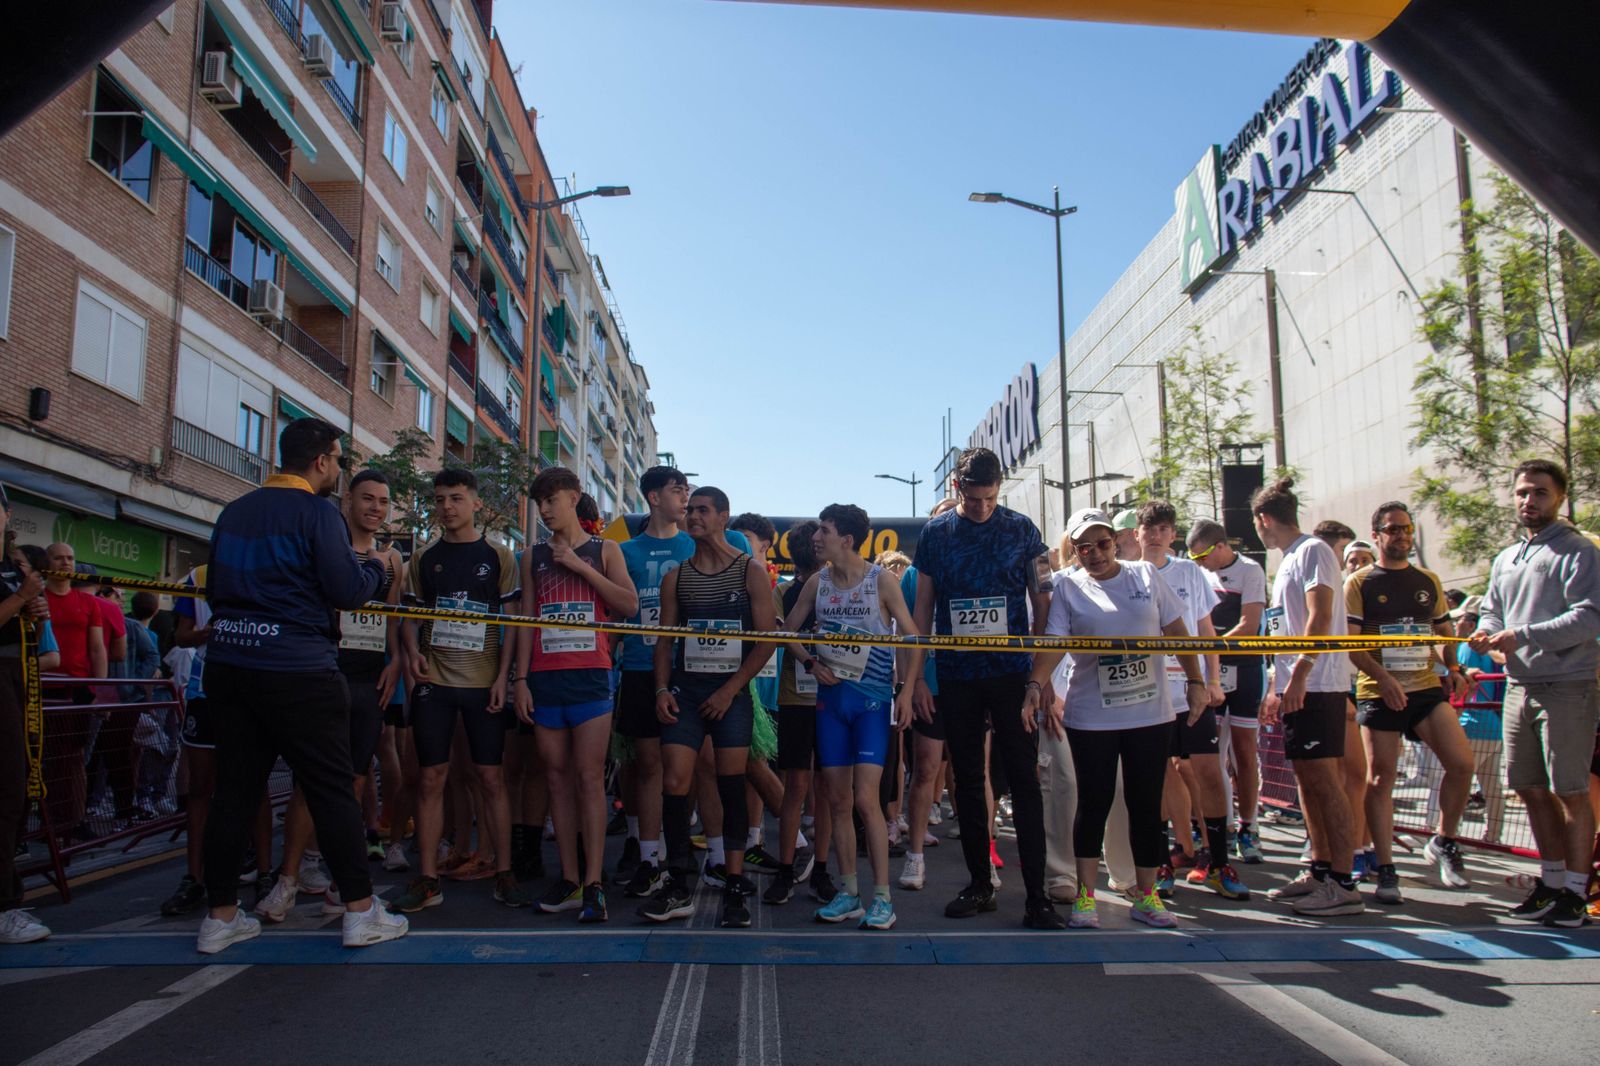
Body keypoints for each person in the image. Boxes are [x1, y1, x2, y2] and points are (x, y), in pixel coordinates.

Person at [197, 417, 408, 953]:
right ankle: (360, 911)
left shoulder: (234, 511)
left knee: (234, 791)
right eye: (337, 460)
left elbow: (215, 590)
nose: (338, 469)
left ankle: (220, 916)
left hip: (229, 663)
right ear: (321, 461)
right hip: (298, 668)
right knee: (332, 788)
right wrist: (379, 571)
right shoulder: (317, 513)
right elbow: (346, 590)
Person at [1025, 508, 1209, 929]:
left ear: (1116, 541)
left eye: (1103, 544)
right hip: (1093, 716)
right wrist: (1035, 684)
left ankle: (1147, 895)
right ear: (1075, 551)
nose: (1095, 553)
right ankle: (1086, 897)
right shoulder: (1068, 586)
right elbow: (1054, 642)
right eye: (1084, 547)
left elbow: (1177, 631)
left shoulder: (1145, 575)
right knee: (1093, 803)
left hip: (1149, 713)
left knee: (1145, 804)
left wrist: (1197, 680)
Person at [910, 448, 1064, 929]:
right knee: (969, 781)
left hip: (1011, 674)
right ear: (958, 488)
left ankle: (1037, 896)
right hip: (957, 674)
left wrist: (1041, 676)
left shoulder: (1022, 529)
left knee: (1024, 780)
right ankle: (980, 884)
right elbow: (922, 609)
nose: (982, 508)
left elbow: (1044, 601)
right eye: (974, 500)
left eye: (991, 499)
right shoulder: (936, 533)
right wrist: (916, 677)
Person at [254, 469, 412, 922]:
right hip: (326, 673)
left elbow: (393, 617)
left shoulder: (392, 560)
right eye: (367, 499)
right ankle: (289, 878)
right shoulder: (329, 547)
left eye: (383, 501)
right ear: (348, 501)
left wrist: (396, 661)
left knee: (357, 782)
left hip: (370, 680)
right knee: (313, 781)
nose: (375, 508)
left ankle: (342, 885)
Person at [1470, 459, 1600, 928]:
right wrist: (1485, 633)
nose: (1529, 500)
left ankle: (1576, 892)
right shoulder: (1506, 558)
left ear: (1560, 497)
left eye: (1540, 492)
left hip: (1567, 687)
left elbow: (1589, 616)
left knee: (1571, 790)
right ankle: (1551, 882)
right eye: (1522, 492)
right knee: (1528, 787)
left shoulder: (1579, 550)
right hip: (1518, 686)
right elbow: (1492, 612)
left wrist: (1520, 635)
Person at [613, 467, 753, 899]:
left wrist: (732, 684)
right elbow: (620, 613)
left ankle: (719, 860)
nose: (688, 506)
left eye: (693, 499)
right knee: (650, 767)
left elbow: (761, 626)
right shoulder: (624, 550)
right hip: (645, 670)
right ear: (654, 497)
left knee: (710, 768)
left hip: (705, 676)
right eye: (680, 494)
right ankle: (650, 858)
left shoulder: (721, 548)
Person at [641, 486, 777, 929]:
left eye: (702, 510)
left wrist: (731, 689)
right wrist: (662, 689)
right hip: (686, 692)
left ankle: (734, 882)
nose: (693, 516)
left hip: (730, 695)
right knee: (675, 781)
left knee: (731, 784)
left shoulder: (750, 572)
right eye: (690, 510)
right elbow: (665, 642)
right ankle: (678, 882)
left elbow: (765, 641)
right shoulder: (676, 577)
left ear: (723, 517)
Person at [782, 505, 921, 930]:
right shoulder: (817, 583)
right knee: (838, 801)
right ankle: (849, 893)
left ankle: (883, 898)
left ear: (846, 539)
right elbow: (786, 632)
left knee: (865, 800)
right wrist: (810, 662)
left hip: (872, 705)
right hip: (831, 705)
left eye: (823, 531)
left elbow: (913, 636)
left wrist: (906, 692)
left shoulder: (881, 581)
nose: (815, 538)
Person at [390, 469, 521, 915]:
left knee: (490, 778)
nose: (447, 507)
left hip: (483, 685)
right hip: (436, 684)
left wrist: (504, 677)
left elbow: (513, 625)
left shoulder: (499, 556)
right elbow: (410, 618)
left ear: (476, 504)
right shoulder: (423, 558)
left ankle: (504, 872)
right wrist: (412, 653)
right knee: (431, 778)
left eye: (456, 498)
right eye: (440, 499)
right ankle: (427, 879)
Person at [514, 469, 637, 924]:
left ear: (574, 498)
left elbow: (629, 605)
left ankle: (594, 881)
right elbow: (526, 620)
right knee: (556, 780)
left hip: (591, 678)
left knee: (588, 779)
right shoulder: (532, 556)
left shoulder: (605, 550)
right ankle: (569, 879)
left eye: (552, 500)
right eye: (539, 503)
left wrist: (579, 566)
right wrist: (520, 679)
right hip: (546, 679)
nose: (545, 510)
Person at [1344, 501, 1475, 904]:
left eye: (1406, 529)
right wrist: (1383, 679)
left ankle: (1444, 839)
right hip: (1379, 690)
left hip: (1424, 688)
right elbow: (1351, 645)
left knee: (1462, 764)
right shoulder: (1360, 582)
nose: (1401, 536)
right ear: (1377, 535)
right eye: (1393, 529)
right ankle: (1385, 867)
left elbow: (1444, 631)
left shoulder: (1428, 580)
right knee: (1381, 778)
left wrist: (1454, 667)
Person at [1253, 478, 1362, 916]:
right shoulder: (1289, 560)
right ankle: (1319, 869)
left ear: (1263, 519)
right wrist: (1277, 687)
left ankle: (1343, 881)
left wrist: (1300, 674)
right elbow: (1285, 629)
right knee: (1306, 783)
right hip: (1295, 688)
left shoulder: (1314, 550)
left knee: (1326, 782)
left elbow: (1320, 617)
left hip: (1319, 686)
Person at [1136, 502, 1248, 901]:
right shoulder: (1129, 574)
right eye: (1148, 527)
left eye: (1163, 528)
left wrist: (1212, 680)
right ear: (1137, 533)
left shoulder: (1190, 572)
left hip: (1192, 690)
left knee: (1209, 773)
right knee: (1159, 777)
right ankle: (1162, 863)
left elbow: (1206, 630)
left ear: (1173, 535)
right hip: (1149, 694)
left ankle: (1218, 862)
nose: (1155, 535)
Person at [1186, 519, 1268, 864]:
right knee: (1208, 756)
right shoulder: (1198, 575)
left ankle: (1250, 826)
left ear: (1220, 546)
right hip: (1212, 673)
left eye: (1201, 555)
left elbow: (1250, 625)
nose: (1199, 563)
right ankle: (1218, 826)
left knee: (1244, 753)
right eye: (1193, 558)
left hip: (1245, 669)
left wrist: (1213, 648)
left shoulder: (1250, 570)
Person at [764, 519, 828, 905]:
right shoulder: (783, 592)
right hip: (795, 698)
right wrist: (807, 658)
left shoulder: (839, 588)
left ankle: (822, 870)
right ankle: (786, 870)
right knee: (796, 789)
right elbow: (780, 635)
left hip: (832, 698)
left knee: (828, 788)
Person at [0, 485, 53, 945]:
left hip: (16, 684)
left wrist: (34, 611)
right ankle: (4, 906)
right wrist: (21, 599)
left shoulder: (11, 566)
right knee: (6, 792)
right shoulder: (16, 578)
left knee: (15, 795)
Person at [1452, 596, 1507, 843]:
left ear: (1472, 622)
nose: (1456, 624)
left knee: (1458, 782)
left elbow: (1462, 686)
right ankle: (1493, 837)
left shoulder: (1467, 648)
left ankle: (1449, 834)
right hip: (1495, 724)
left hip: (1471, 723)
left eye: (1461, 619)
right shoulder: (1498, 650)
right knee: (1492, 786)